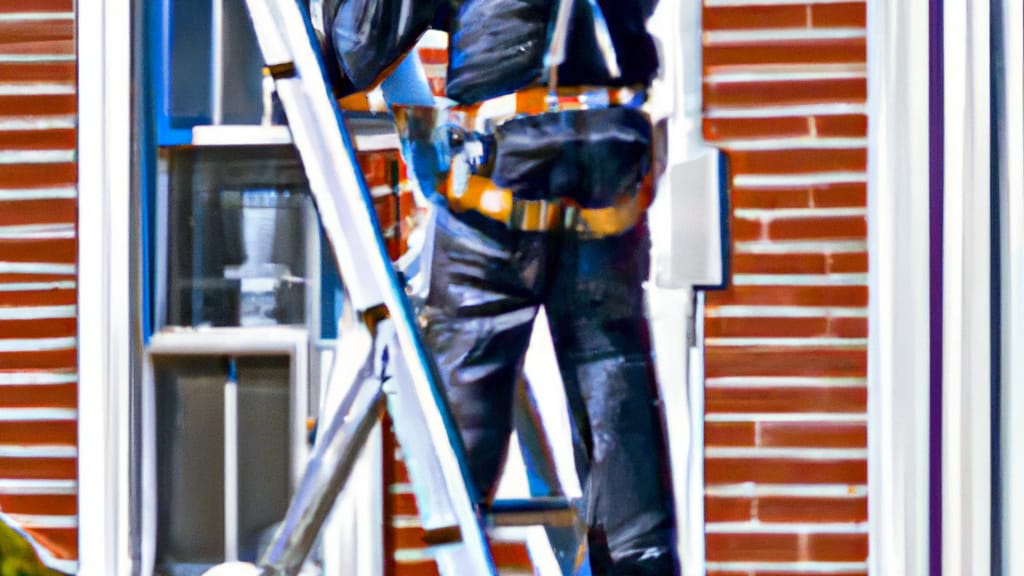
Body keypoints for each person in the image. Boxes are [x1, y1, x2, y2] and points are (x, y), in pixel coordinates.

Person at [322, 0, 677, 573]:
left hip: (508, 166)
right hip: (611, 159)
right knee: (615, 396)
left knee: (458, 446)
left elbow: (355, 52)